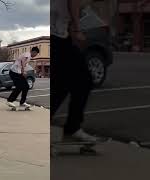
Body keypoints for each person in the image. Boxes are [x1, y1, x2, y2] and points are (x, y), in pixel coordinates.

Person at [51, 0, 97, 142]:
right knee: (83, 80)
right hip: (56, 36)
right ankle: (72, 128)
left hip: (58, 35)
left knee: (64, 83)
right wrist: (77, 28)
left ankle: (72, 128)